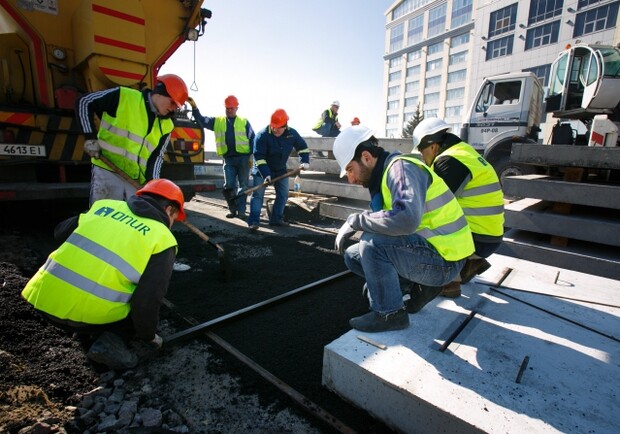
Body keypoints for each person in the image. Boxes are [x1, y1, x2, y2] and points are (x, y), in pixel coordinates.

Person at [21, 178, 186, 370]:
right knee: (135, 311)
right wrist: (149, 336)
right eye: (175, 218)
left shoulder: (103, 207)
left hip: (41, 300)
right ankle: (110, 345)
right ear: (169, 210)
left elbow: (59, 232)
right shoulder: (163, 238)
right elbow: (148, 300)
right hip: (87, 320)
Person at [332, 126, 474, 333]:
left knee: (372, 243)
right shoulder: (386, 175)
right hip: (434, 251)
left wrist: (356, 221)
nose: (351, 179)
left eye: (350, 170)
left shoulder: (401, 169)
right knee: (353, 255)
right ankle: (414, 287)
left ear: (366, 157)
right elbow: (388, 219)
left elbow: (406, 218)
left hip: (447, 260)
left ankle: (389, 314)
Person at [413, 118, 504, 297]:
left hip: (477, 238)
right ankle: (471, 262)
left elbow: (432, 207)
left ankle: (449, 281)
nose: (422, 158)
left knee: (420, 224)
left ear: (432, 146)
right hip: (490, 235)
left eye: (421, 152)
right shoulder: (466, 153)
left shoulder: (449, 161)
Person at [77, 74, 189, 207]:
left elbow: (156, 157)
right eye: (172, 103)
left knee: (134, 223)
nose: (172, 109)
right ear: (159, 93)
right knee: (103, 217)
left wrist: (152, 186)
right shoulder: (124, 97)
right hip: (108, 172)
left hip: (136, 181)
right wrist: (90, 138)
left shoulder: (167, 125)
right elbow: (84, 102)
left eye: (176, 107)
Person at [187, 95, 255, 218]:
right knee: (229, 185)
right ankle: (232, 210)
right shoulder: (217, 122)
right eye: (227, 108)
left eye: (232, 108)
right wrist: (194, 107)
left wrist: (251, 157)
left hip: (243, 159)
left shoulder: (244, 122)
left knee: (243, 185)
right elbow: (201, 120)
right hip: (228, 159)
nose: (229, 110)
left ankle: (242, 211)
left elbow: (253, 139)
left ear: (236, 108)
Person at [248, 109, 310, 232]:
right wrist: (266, 174)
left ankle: (276, 219)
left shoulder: (292, 134)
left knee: (283, 194)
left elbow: (302, 147)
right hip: (262, 169)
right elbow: (259, 158)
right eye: (274, 127)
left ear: (285, 125)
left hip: (280, 169)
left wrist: (305, 160)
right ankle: (254, 221)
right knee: (258, 195)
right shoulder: (262, 136)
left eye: (279, 128)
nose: (275, 130)